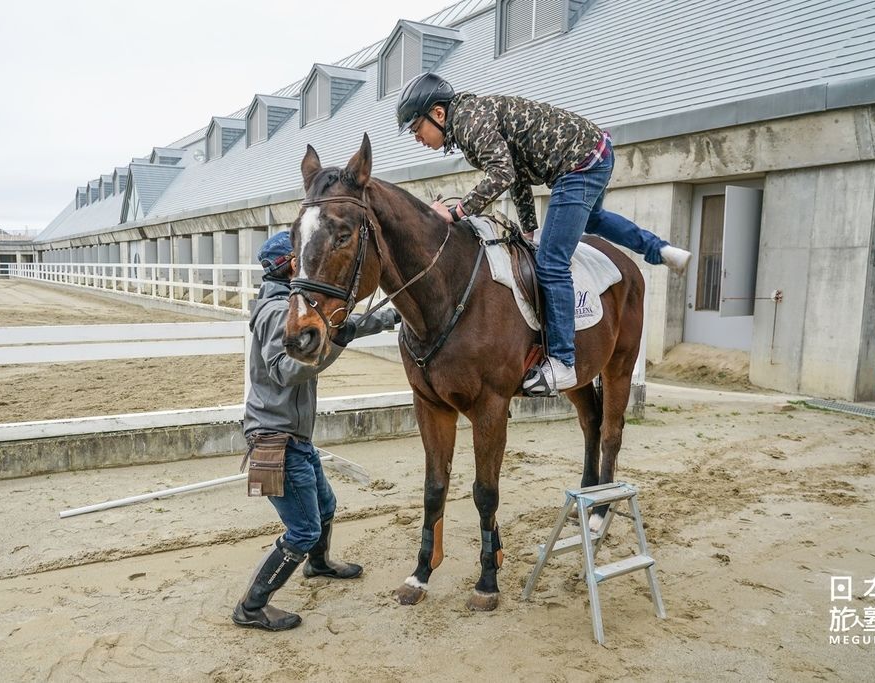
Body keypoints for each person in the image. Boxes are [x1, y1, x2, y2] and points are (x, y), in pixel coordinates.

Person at [395, 72, 692, 395]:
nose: (417, 138)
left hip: (578, 166)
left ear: (438, 114)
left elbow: (502, 174)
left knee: (551, 262)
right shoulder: (472, 118)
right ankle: (659, 250)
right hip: (595, 152)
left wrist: (455, 212)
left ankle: (563, 363)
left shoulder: (469, 123)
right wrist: (529, 229)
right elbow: (519, 175)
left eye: (416, 128)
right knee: (593, 220)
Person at [232, 231, 399, 631]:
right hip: (276, 443)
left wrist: (392, 316)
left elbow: (340, 325)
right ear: (291, 265)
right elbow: (286, 371)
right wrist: (335, 345)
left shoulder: (294, 308)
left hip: (294, 439)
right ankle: (251, 607)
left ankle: (319, 565)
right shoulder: (277, 314)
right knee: (303, 530)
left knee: (325, 507)